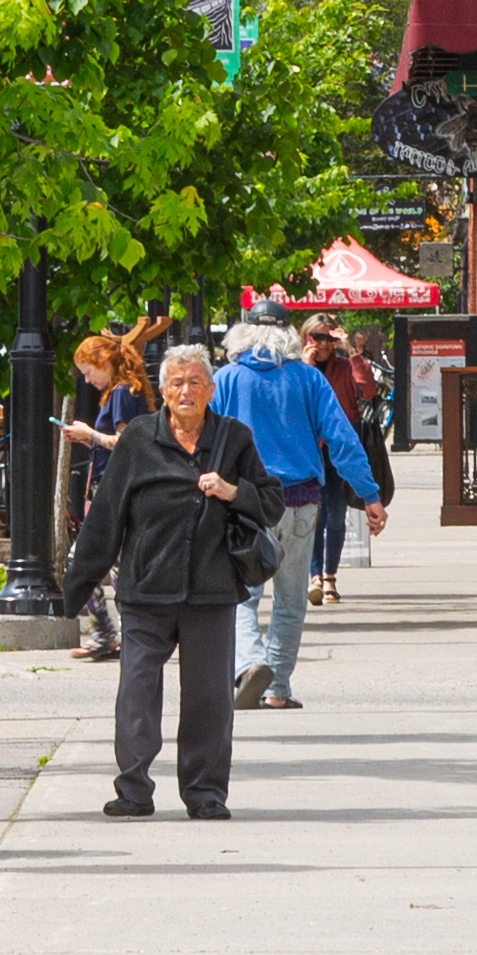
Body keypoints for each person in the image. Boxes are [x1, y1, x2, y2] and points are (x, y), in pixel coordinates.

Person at [59, 345, 284, 820]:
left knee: (209, 699)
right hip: (146, 589)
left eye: (196, 382)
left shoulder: (233, 439)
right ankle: (134, 790)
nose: (186, 391)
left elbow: (271, 502)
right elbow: (106, 519)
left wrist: (231, 491)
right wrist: (72, 591)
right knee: (137, 693)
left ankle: (205, 794)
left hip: (211, 589)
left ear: (211, 389)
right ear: (162, 390)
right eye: (177, 383)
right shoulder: (140, 439)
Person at [207, 318, 383, 709]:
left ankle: (251, 662)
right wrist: (370, 495)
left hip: (246, 501)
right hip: (301, 500)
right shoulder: (308, 378)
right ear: (289, 337)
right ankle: (277, 689)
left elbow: (203, 440)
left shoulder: (228, 379)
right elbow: (341, 437)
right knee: (290, 599)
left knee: (243, 596)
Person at [55, 321, 165, 659]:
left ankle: (109, 631)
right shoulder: (130, 390)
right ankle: (127, 633)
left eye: (89, 372)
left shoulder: (120, 393)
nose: (88, 380)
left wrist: (89, 435)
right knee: (119, 566)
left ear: (105, 362)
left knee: (83, 561)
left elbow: (124, 442)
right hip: (120, 488)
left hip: (113, 489)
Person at [302, 325, 395, 605]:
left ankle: (330, 575)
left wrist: (353, 352)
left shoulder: (345, 366)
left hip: (339, 448)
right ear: (306, 338)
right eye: (316, 337)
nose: (323, 344)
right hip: (309, 450)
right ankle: (314, 575)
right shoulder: (298, 369)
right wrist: (305, 365)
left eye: (328, 338)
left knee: (335, 515)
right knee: (312, 517)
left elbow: (367, 390)